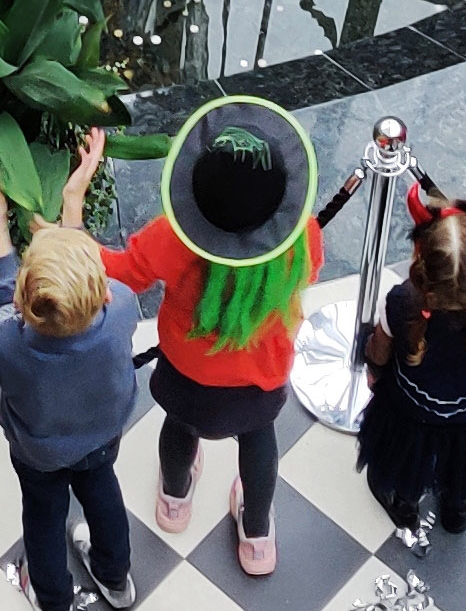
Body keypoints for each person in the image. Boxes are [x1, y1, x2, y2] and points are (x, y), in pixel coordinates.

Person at [101, 96, 321, 573]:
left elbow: (123, 274)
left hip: (185, 383)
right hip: (259, 390)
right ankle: (256, 535)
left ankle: (174, 500)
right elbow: (311, 271)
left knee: (179, 432)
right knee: (259, 444)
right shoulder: (302, 238)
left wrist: (72, 239)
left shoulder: (172, 237)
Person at [0, 133, 138, 611]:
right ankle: (115, 578)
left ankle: (54, 609)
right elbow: (86, 282)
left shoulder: (4, 340)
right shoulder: (123, 309)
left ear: (21, 303)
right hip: (102, 438)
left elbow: (6, 290)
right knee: (103, 495)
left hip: (37, 453)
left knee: (43, 518)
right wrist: (73, 203)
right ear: (103, 291)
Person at [355, 199, 466, 541]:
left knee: (406, 463)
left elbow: (380, 353)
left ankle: (405, 505)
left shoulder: (401, 302)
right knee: (464, 466)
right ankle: (456, 511)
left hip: (410, 414)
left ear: (422, 263)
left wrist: (373, 369)